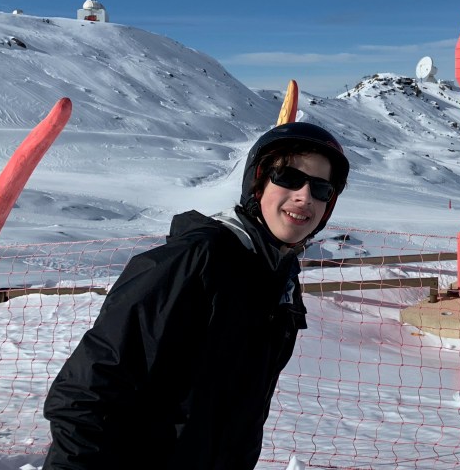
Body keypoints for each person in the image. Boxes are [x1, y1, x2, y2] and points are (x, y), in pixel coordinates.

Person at [42, 121, 350, 470]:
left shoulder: (279, 279)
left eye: (321, 189)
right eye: (289, 178)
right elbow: (86, 393)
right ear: (258, 182)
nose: (305, 197)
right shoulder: (195, 260)